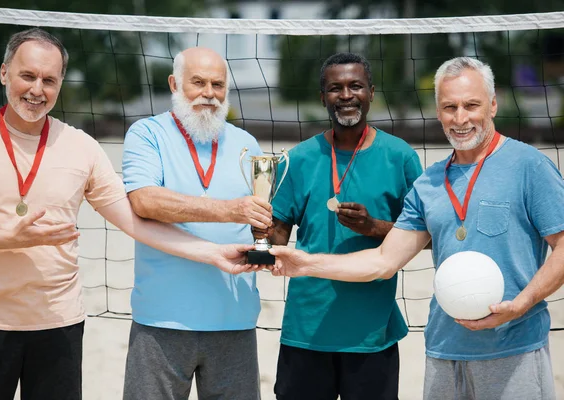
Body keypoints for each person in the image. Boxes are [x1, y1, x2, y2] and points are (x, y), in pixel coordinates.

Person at [0, 28, 257, 400]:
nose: (38, 89)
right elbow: (147, 204)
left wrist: (211, 253)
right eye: (28, 76)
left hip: (60, 324)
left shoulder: (80, 146)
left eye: (49, 80)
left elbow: (135, 222)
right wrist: (5, 239)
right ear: (5, 73)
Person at [271, 57, 564, 400]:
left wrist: (522, 303)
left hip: (513, 347)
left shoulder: (529, 165)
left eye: (471, 105)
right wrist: (302, 263)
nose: (460, 118)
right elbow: (382, 261)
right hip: (443, 350)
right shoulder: (430, 183)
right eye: (449, 107)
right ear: (437, 112)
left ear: (494, 105)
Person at [253, 52, 422, 400]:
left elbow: (426, 236)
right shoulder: (298, 158)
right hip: (307, 328)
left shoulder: (400, 156)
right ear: (323, 98)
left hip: (371, 331)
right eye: (335, 88)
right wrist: (260, 232)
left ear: (371, 92)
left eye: (355, 86)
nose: (346, 95)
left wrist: (373, 227)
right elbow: (278, 236)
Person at [121, 47, 272, 400]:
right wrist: (230, 210)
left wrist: (268, 239)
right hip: (161, 321)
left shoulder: (246, 144)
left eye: (218, 85)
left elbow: (262, 218)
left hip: (233, 320)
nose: (209, 93)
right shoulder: (147, 134)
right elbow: (145, 201)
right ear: (175, 83)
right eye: (198, 82)